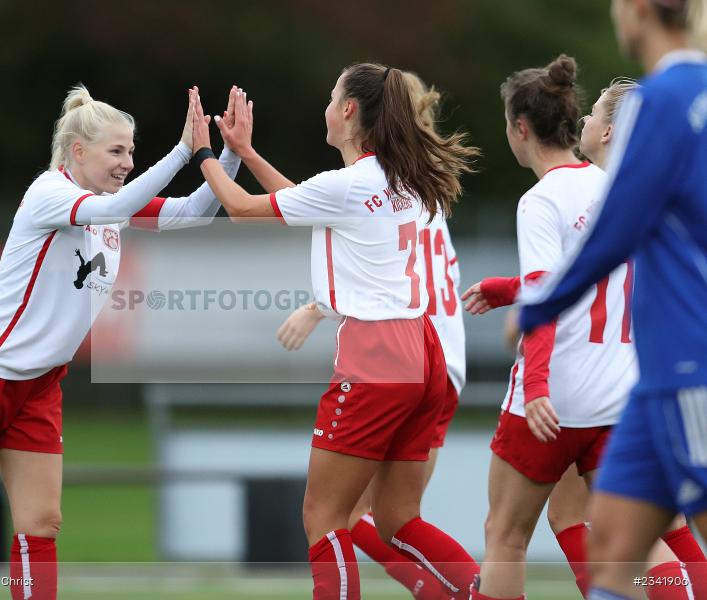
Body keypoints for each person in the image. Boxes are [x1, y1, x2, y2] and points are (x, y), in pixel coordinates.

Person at [0, 84, 244, 600]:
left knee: (41, 522)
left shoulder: (108, 204)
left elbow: (192, 215)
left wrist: (226, 153)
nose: (127, 162)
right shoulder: (50, 194)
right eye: (116, 152)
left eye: (131, 152)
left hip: (38, 384)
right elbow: (117, 203)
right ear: (78, 152)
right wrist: (185, 151)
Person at [190, 63, 480, 600]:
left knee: (324, 517)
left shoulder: (352, 184)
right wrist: (247, 154)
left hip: (377, 352)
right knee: (399, 520)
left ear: (348, 110)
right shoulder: (402, 175)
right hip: (427, 350)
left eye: (331, 97)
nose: (326, 107)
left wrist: (202, 152)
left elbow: (238, 207)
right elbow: (310, 204)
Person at [463, 75, 706, 597]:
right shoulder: (627, 193)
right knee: (626, 533)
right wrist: (509, 289)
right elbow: (598, 276)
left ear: (519, 129)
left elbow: (549, 293)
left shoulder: (542, 199)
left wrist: (537, 387)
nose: (591, 121)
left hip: (556, 398)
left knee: (505, 536)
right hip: (618, 393)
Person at [517, 1, 707, 598]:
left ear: (639, 11)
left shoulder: (661, 100)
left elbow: (615, 234)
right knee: (613, 551)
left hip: (687, 371)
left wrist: (538, 306)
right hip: (650, 382)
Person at [276, 71, 468, 600]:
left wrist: (319, 306)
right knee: (395, 520)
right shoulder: (416, 186)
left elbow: (375, 266)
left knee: (342, 515)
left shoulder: (382, 185)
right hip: (440, 359)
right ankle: (472, 591)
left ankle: (456, 591)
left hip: (400, 351)